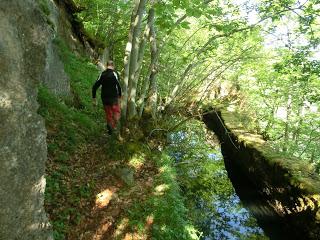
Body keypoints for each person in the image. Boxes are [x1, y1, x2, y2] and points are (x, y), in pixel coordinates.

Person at [92, 60, 122, 135]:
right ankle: (115, 128)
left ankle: (110, 130)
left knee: (108, 114)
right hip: (114, 98)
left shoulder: (102, 74)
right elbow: (118, 86)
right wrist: (120, 96)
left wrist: (94, 98)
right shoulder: (115, 74)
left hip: (105, 98)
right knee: (116, 113)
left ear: (106, 65)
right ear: (113, 66)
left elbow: (95, 86)